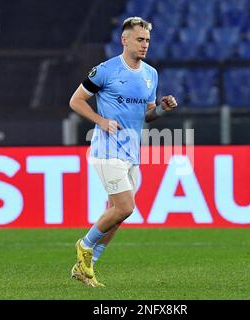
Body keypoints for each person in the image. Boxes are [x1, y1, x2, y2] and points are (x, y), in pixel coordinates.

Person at [68, 16, 178, 287]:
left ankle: (85, 267)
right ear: (124, 39)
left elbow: (147, 114)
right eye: (140, 40)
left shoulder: (151, 74)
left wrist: (162, 108)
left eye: (148, 41)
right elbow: (76, 101)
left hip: (132, 153)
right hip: (106, 151)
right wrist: (100, 121)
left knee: (116, 215)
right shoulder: (105, 70)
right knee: (125, 207)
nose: (144, 45)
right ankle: (84, 245)